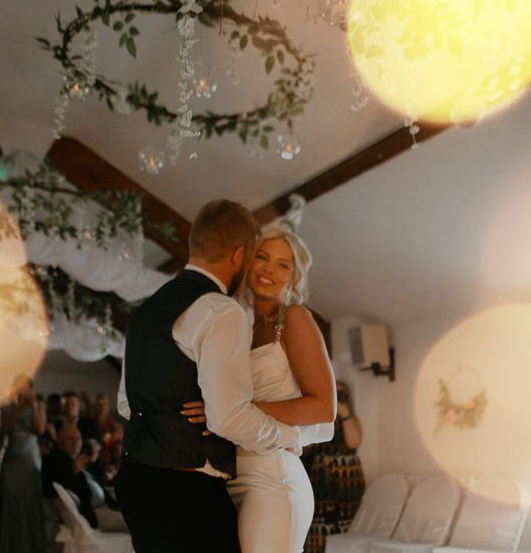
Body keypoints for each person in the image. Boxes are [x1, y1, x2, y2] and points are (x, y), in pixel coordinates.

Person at [115, 199, 305, 553]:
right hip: (185, 492)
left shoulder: (147, 309)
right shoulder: (220, 310)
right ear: (238, 256)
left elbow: (127, 403)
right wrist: (287, 436)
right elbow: (228, 418)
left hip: (136, 481)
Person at [183, 227, 337, 553]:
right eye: (263, 258)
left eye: (283, 265)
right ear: (248, 263)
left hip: (273, 476)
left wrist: (231, 409)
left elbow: (323, 407)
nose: (269, 269)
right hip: (231, 473)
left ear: (294, 279)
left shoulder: (294, 318)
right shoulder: (240, 324)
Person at [303, 381, 365, 553]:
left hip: (347, 479)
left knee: (347, 523)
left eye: (341, 393)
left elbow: (354, 443)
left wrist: (344, 413)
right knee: (319, 524)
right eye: (334, 393)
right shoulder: (319, 416)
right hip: (320, 476)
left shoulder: (351, 418)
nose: (338, 397)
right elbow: (306, 447)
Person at [0, 375, 46, 553]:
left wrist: (33, 406)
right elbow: (4, 429)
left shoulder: (40, 406)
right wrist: (19, 408)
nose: (23, 389)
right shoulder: (6, 406)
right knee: (10, 501)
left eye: (27, 387)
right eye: (20, 386)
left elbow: (39, 430)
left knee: (29, 503)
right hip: (12, 461)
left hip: (30, 461)